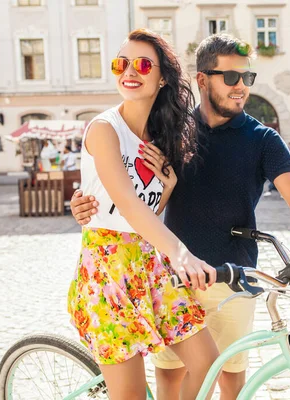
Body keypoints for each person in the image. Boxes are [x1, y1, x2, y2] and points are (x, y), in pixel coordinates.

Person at [70, 33, 290, 400]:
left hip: (231, 275)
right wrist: (85, 203)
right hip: (172, 273)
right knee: (168, 380)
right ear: (203, 79)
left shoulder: (262, 138)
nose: (241, 87)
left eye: (247, 78)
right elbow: (125, 195)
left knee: (228, 378)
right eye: (231, 77)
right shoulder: (171, 130)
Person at [66, 29, 221, 400]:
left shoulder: (160, 136)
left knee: (207, 362)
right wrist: (182, 254)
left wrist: (166, 185)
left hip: (150, 263)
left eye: (143, 64)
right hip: (107, 269)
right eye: (121, 63)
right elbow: (130, 207)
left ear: (162, 76)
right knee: (131, 394)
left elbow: (147, 209)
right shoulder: (104, 129)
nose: (129, 72)